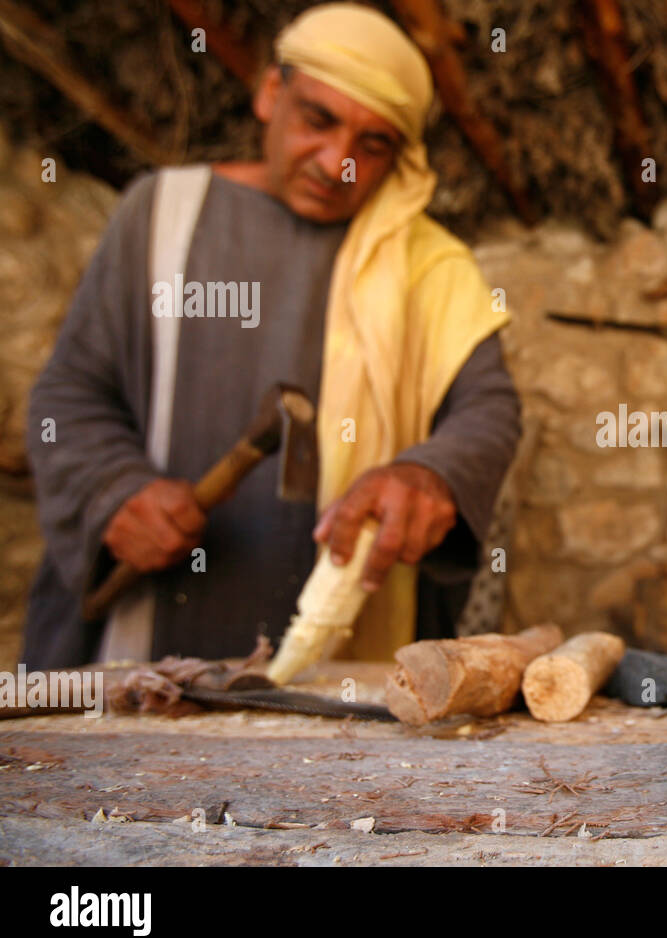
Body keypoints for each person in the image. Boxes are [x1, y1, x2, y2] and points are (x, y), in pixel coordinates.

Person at [23, 3, 520, 669]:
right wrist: (113, 491)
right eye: (319, 120)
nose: (336, 160)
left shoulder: (425, 265)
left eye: (372, 145)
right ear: (269, 94)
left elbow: (488, 407)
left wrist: (429, 474)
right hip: (142, 646)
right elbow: (71, 393)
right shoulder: (161, 214)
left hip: (345, 668)